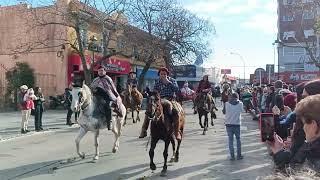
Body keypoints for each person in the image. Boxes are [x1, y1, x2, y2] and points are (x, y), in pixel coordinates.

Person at [269, 94, 320, 172]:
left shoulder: (313, 158)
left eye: (304, 123)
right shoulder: (311, 147)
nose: (303, 127)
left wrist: (278, 152)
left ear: (313, 125)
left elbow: (291, 174)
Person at [139, 67, 181, 140]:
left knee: (176, 112)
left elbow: (177, 90)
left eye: (164, 74)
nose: (163, 75)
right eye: (161, 74)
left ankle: (177, 132)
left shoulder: (172, 81)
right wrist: (149, 92)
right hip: (160, 99)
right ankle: (144, 130)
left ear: (167, 74)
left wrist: (169, 83)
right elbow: (155, 92)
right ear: (159, 75)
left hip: (170, 99)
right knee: (149, 111)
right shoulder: (157, 82)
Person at [90, 64, 123, 130]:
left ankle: (109, 122)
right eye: (99, 71)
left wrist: (117, 96)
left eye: (102, 70)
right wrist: (93, 90)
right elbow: (91, 87)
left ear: (105, 72)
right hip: (97, 96)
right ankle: (95, 122)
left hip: (107, 96)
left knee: (107, 106)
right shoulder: (96, 79)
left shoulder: (108, 79)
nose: (100, 72)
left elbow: (113, 88)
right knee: (92, 106)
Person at [225, 92, 244, 161]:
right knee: (238, 140)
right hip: (237, 124)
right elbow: (242, 111)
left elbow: (224, 112)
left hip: (228, 124)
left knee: (230, 140)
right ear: (237, 97)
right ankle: (239, 155)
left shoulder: (226, 104)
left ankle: (232, 156)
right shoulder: (240, 104)